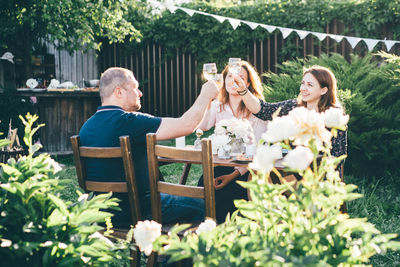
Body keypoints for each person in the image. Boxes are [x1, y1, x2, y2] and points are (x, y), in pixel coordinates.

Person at [79, 67, 219, 228]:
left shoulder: (86, 128)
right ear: (119, 92)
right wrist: (206, 94)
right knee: (209, 206)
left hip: (102, 213)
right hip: (141, 210)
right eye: (135, 88)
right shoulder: (130, 121)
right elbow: (186, 125)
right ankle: (184, 251)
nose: (140, 93)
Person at [233, 65, 347, 181]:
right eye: (303, 83)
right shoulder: (294, 106)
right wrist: (243, 90)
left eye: (310, 85)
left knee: (270, 180)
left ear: (324, 90)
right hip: (290, 170)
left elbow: (338, 155)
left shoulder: (333, 115)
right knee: (257, 173)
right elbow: (263, 110)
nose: (303, 88)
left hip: (319, 176)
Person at [197, 61, 268, 223]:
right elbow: (199, 126)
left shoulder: (257, 110)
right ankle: (209, 229)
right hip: (219, 166)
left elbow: (257, 150)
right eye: (229, 76)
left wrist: (233, 174)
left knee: (229, 191)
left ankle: (229, 233)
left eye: (240, 77)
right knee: (205, 184)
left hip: (247, 170)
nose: (233, 81)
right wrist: (207, 100)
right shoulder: (217, 106)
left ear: (248, 83)